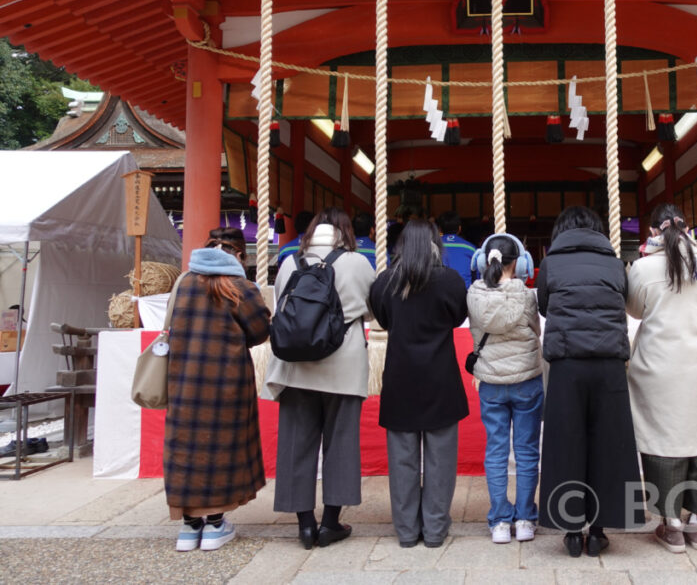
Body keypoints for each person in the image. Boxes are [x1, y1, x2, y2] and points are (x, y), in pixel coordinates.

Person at [264, 207, 375, 549]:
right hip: (343, 364)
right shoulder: (358, 262)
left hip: (295, 366)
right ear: (345, 232)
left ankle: (304, 526)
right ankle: (330, 523)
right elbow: (372, 309)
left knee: (296, 444)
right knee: (341, 443)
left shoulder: (289, 262)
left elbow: (281, 304)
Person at [536, 206, 642, 558]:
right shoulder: (615, 263)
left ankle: (570, 530)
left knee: (566, 442)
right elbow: (622, 301)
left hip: (567, 362)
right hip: (609, 362)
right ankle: (598, 531)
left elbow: (545, 307)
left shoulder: (551, 262)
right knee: (609, 443)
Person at [626, 204, 697, 554]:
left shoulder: (642, 268)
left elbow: (634, 310)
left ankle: (671, 525)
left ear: (653, 231)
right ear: (688, 228)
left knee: (662, 440)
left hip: (657, 365)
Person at [164, 227, 271, 552]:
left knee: (186, 447)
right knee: (222, 447)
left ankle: (189, 527)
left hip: (184, 380)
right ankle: (214, 524)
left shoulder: (183, 282)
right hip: (227, 382)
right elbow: (261, 330)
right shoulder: (240, 286)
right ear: (239, 254)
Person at [369, 219, 469, 548]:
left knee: (402, 461)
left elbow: (383, 318)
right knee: (441, 461)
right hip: (440, 377)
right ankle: (436, 530)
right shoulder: (450, 281)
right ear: (435, 244)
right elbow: (458, 317)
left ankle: (407, 531)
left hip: (400, 377)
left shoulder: (385, 282)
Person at [466, 233, 543, 545]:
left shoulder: (474, 293)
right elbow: (537, 330)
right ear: (520, 264)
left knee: (496, 451)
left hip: (491, 383)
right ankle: (524, 519)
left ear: (483, 261)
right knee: (526, 451)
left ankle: (499, 521)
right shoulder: (526, 295)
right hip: (526, 381)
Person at [437, 210, 475, 288]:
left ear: (440, 229)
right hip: (464, 293)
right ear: (459, 228)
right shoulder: (471, 248)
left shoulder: (432, 247)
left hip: (438, 293)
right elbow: (477, 277)